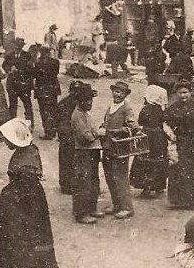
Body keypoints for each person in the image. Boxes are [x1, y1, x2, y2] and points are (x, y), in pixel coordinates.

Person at [0, 118, 69, 268]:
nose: (4, 142)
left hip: (24, 209)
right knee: (21, 247)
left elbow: (26, 189)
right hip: (25, 206)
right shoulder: (29, 150)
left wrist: (10, 196)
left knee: (23, 246)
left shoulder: (26, 164)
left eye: (6, 139)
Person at [165, 80, 194, 209]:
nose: (182, 95)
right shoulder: (173, 107)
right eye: (180, 93)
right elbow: (165, 122)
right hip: (180, 141)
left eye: (185, 92)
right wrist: (170, 133)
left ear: (190, 92)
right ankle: (179, 201)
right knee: (179, 169)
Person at [101, 81, 138, 219]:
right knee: (110, 176)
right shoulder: (111, 106)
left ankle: (127, 207)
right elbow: (106, 121)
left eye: (120, 92)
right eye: (116, 91)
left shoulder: (127, 108)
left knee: (120, 177)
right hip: (108, 146)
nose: (117, 94)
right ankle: (117, 204)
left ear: (125, 94)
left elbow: (133, 127)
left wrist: (116, 131)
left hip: (120, 148)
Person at [72, 85, 106, 224]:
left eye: (91, 101)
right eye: (86, 101)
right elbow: (86, 136)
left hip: (92, 151)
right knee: (83, 182)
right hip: (83, 152)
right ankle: (81, 213)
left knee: (93, 181)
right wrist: (98, 133)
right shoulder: (77, 115)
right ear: (79, 101)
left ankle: (92, 207)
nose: (90, 104)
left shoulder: (86, 113)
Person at [130, 84, 169, 198]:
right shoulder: (160, 109)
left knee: (146, 161)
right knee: (158, 159)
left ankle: (146, 186)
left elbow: (141, 121)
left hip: (148, 136)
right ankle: (158, 185)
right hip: (159, 137)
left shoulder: (146, 109)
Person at [56, 81, 92, 195]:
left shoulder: (65, 101)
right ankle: (68, 185)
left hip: (65, 134)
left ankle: (65, 184)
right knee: (70, 160)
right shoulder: (74, 104)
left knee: (66, 160)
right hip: (69, 134)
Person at [34, 47, 61, 140]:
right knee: (53, 110)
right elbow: (55, 74)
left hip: (42, 90)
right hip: (52, 89)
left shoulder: (37, 63)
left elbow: (36, 76)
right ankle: (53, 131)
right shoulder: (55, 62)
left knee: (44, 111)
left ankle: (48, 131)